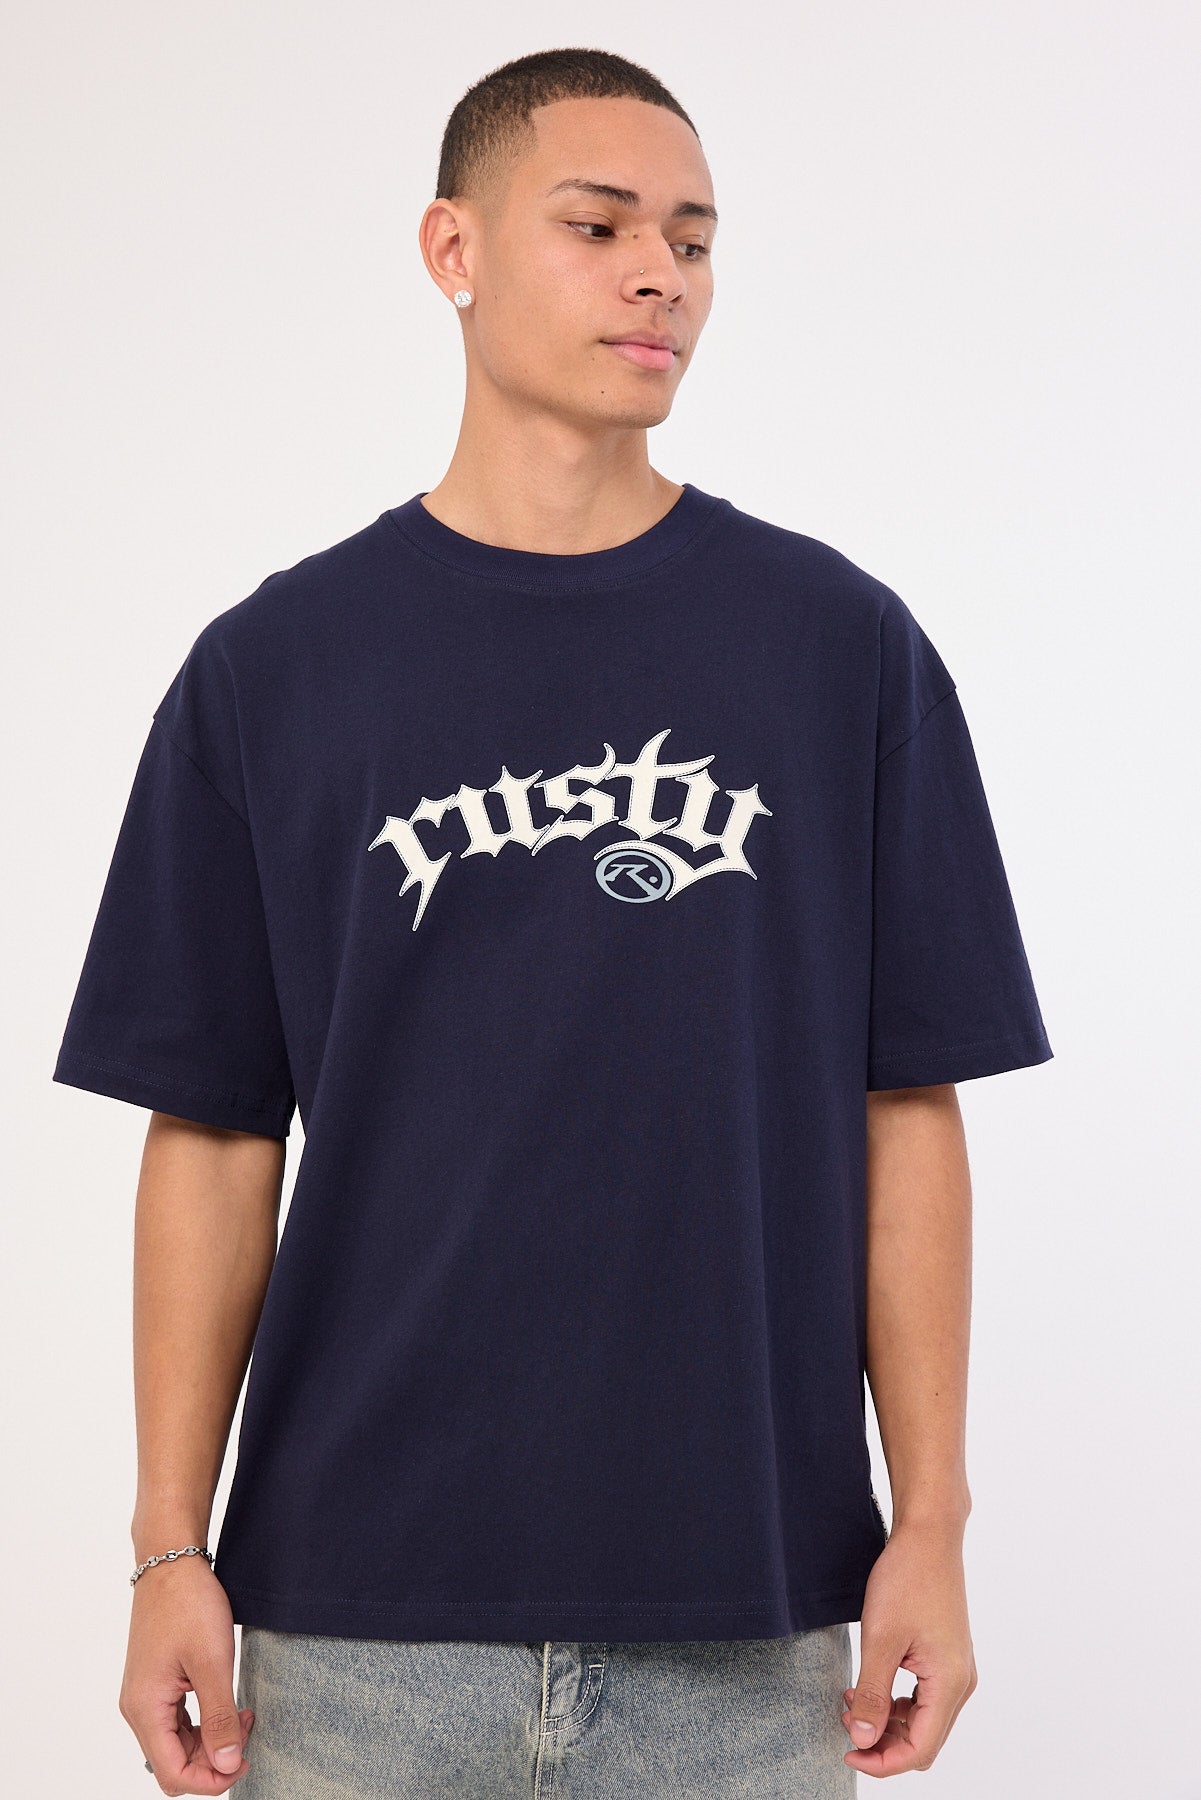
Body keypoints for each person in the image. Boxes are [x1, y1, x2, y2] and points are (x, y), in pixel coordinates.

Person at [51, 45, 1054, 1800]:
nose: (660, 274)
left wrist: (932, 1522)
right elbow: (210, 1131)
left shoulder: (837, 650)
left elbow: (906, 1107)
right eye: (598, 227)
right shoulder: (275, 670)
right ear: (451, 249)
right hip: (355, 1634)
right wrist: (165, 1550)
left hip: (745, 1626)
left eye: (693, 238)